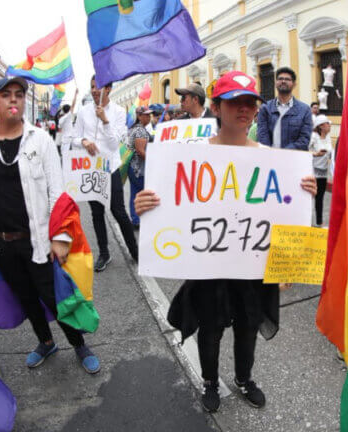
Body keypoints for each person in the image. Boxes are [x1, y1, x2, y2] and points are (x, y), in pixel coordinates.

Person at [134, 71, 317, 414]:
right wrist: (143, 204)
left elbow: (283, 212)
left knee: (248, 326)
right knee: (210, 328)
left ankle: (244, 378)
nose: (244, 109)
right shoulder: (191, 156)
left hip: (250, 266)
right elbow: (166, 200)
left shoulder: (271, 159)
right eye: (235, 102)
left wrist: (304, 192)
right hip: (210, 265)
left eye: (250, 102)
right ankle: (210, 381)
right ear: (217, 107)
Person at [0, 76, 100, 373]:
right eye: (6, 95)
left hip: (37, 239)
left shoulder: (41, 140)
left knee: (54, 295)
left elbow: (57, 191)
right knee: (25, 297)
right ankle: (46, 342)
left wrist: (60, 236)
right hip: (1, 243)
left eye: (19, 95)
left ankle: (79, 344)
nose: (14, 100)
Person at [73, 75, 139, 271]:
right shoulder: (84, 112)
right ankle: (104, 253)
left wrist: (105, 121)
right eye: (92, 87)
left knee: (118, 211)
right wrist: (83, 142)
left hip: (110, 168)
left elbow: (114, 143)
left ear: (108, 89)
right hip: (90, 169)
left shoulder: (118, 111)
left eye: (98, 87)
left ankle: (135, 252)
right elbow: (73, 138)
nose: (94, 90)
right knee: (96, 213)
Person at [256, 67, 313, 150]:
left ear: (294, 84)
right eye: (280, 79)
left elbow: (304, 139)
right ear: (275, 83)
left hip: (294, 159)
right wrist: (270, 153)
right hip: (269, 158)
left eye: (287, 79)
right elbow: (262, 135)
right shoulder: (265, 108)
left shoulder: (304, 110)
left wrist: (283, 154)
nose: (283, 81)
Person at [127, 106, 154, 228]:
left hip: (133, 167)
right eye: (146, 115)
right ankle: (139, 219)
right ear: (139, 116)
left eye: (149, 115)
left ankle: (136, 219)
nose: (149, 117)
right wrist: (154, 162)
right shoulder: (140, 131)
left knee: (135, 194)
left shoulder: (136, 128)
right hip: (139, 169)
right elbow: (140, 151)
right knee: (144, 194)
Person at [309, 115, 333, 227]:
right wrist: (316, 154)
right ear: (321, 126)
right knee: (308, 198)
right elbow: (305, 151)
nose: (330, 126)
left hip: (323, 173)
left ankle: (319, 222)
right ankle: (305, 222)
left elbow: (331, 155)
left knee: (320, 199)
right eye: (328, 124)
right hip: (312, 173)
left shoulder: (328, 138)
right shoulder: (313, 137)